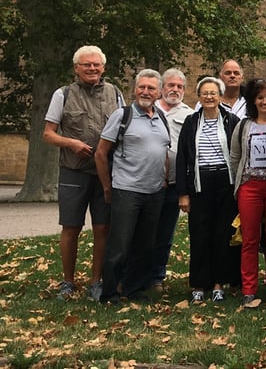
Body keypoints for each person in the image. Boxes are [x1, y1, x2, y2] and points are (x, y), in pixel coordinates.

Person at [43, 45, 124, 301]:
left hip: (105, 173)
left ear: (103, 67)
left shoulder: (115, 93)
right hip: (73, 171)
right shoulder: (63, 94)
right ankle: (68, 282)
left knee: (102, 228)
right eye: (86, 65)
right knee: (71, 227)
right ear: (76, 68)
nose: (92, 69)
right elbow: (48, 133)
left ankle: (96, 281)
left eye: (96, 65)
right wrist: (72, 143)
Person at [95, 69, 169, 303]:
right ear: (135, 89)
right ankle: (109, 293)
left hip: (155, 191)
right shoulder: (122, 115)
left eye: (151, 88)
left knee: (145, 245)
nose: (145, 92)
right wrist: (108, 187)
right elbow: (100, 153)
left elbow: (163, 151)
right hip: (127, 190)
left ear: (159, 92)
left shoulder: (161, 117)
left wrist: (165, 178)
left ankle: (133, 288)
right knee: (119, 245)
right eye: (142, 87)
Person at [176, 76, 240, 304]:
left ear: (220, 97)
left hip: (225, 183)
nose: (210, 97)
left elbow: (239, 155)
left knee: (222, 235)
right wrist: (183, 193)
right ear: (199, 96)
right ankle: (198, 285)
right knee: (199, 235)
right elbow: (182, 158)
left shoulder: (231, 121)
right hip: (199, 184)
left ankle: (218, 284)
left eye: (214, 93)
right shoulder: (191, 122)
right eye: (205, 93)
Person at [229, 78, 266, 305]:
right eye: (260, 97)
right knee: (249, 239)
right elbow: (235, 156)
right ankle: (249, 288)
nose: (265, 101)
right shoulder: (244, 126)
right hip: (250, 186)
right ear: (254, 100)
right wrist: (239, 182)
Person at [149, 68, 193, 291]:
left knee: (165, 232)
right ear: (161, 88)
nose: (174, 90)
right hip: (146, 183)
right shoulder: (147, 109)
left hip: (175, 183)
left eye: (179, 87)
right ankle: (135, 275)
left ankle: (157, 277)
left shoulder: (190, 115)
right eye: (170, 85)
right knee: (143, 230)